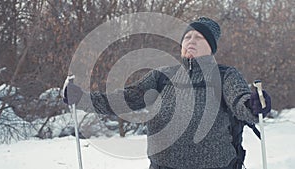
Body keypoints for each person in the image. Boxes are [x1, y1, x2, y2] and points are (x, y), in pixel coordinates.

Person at [63, 17, 271, 169]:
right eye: (187, 36)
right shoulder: (162, 76)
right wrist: (82, 99)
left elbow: (241, 102)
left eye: (198, 37)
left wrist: (253, 104)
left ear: (211, 46)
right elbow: (125, 99)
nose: (191, 40)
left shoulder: (225, 75)